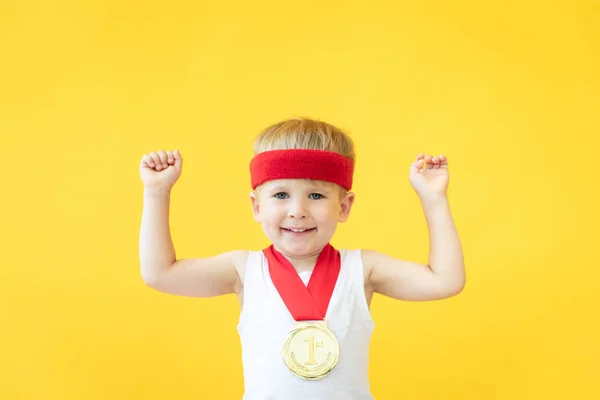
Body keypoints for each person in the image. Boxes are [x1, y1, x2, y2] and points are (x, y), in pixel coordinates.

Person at [138, 117, 465, 399]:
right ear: (256, 206)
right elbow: (160, 273)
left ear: (344, 206)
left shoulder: (363, 269)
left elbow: (445, 281)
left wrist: (434, 199)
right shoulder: (243, 270)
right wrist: (156, 193)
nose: (298, 211)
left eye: (316, 195)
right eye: (280, 195)